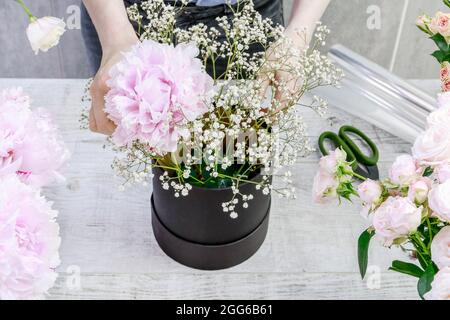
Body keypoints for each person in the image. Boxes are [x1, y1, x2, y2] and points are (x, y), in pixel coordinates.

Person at [81, 0, 330, 135]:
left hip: (252, 17)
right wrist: (116, 38)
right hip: (126, 17)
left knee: (243, 147)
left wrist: (297, 36)